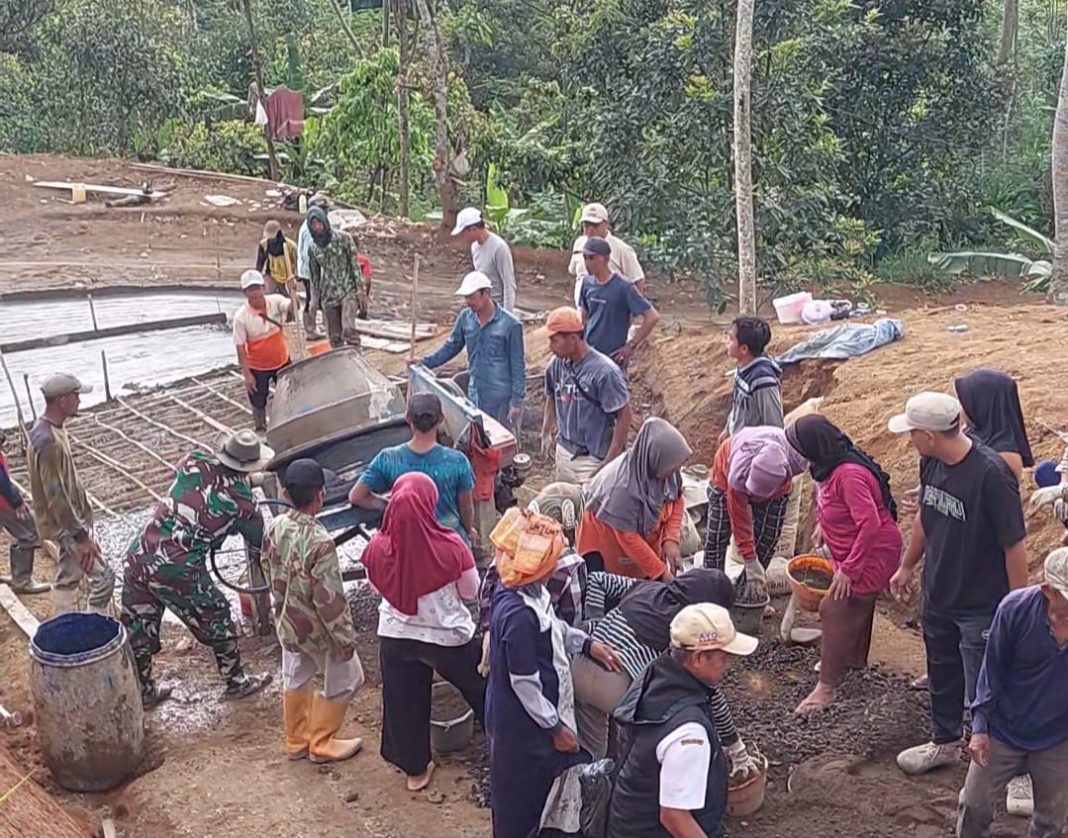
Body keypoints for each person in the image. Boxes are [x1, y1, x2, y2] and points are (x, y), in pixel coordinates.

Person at [888, 392, 1027, 775]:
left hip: (980, 603)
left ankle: (1004, 766)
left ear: (931, 436)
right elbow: (926, 513)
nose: (910, 439)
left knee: (987, 684)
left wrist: (1017, 609)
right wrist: (907, 566)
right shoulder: (930, 462)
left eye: (913, 433)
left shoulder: (992, 475)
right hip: (939, 592)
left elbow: (1014, 544)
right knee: (942, 671)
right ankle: (945, 742)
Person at [485, 519, 621, 838]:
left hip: (534, 717)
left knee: (542, 790)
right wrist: (555, 728)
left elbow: (552, 627)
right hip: (524, 727)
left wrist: (585, 643)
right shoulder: (518, 615)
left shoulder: (529, 592)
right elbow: (525, 684)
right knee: (523, 798)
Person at [122, 430, 274, 707]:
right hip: (177, 566)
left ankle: (143, 690)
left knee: (138, 625)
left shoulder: (194, 460)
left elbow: (195, 486)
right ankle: (236, 681)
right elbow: (259, 542)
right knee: (218, 613)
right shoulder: (244, 503)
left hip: (141, 553)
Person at [363, 472, 485, 790]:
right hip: (447, 635)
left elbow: (376, 587)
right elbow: (471, 591)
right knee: (481, 686)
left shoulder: (376, 547)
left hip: (396, 633)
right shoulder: (451, 545)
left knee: (403, 700)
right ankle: (501, 738)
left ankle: (415, 770)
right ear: (430, 503)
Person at [573, 568, 759, 776]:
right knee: (657, 734)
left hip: (579, 667)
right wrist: (735, 747)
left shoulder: (647, 588)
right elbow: (710, 692)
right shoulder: (687, 625)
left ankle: (586, 786)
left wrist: (594, 624)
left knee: (592, 761)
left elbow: (597, 579)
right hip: (615, 685)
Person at [608, 602, 758, 838]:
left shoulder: (657, 676)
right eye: (723, 657)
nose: (728, 664)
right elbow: (675, 818)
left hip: (628, 820)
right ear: (697, 659)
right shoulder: (688, 732)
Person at [785, 415, 902, 714]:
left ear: (813, 446)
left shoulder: (848, 474)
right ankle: (852, 663)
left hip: (873, 550)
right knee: (858, 605)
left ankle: (826, 687)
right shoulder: (828, 465)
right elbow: (831, 500)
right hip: (851, 548)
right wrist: (822, 525)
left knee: (833, 608)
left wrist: (850, 569)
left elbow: (871, 523)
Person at [957, 548, 1068, 838]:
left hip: (1057, 737)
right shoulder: (1014, 610)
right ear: (1048, 591)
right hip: (1003, 729)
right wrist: (980, 728)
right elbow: (991, 673)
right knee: (973, 805)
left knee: (1052, 822)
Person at [262, 459, 364, 763]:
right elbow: (329, 600)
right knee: (349, 678)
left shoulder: (274, 527)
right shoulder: (321, 543)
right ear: (321, 495)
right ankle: (322, 741)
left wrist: (282, 602)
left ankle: (296, 739)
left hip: (287, 623)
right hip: (317, 631)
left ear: (285, 493)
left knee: (295, 675)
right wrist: (344, 639)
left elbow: (266, 565)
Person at [27, 373, 113, 613]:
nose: (80, 401)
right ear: (62, 400)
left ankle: (67, 621)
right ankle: (91, 623)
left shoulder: (49, 429)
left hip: (69, 524)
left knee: (70, 576)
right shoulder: (48, 442)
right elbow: (56, 496)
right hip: (67, 526)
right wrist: (81, 537)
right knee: (104, 578)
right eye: (76, 396)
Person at [348, 393, 476, 543]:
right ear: (441, 418)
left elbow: (356, 496)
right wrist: (469, 531)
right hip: (450, 541)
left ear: (408, 418)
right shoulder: (457, 461)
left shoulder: (388, 459)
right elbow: (466, 508)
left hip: (409, 543)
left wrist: (388, 504)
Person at [576, 417, 692, 580]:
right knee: (611, 587)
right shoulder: (621, 487)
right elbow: (628, 537)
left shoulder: (667, 471)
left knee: (646, 581)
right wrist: (660, 572)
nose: (676, 471)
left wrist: (670, 539)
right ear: (654, 458)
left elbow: (677, 499)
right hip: (608, 542)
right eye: (673, 467)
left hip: (640, 543)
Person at [703, 427, 808, 599]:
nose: (754, 498)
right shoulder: (736, 477)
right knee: (717, 535)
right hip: (727, 467)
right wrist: (749, 558)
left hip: (773, 480)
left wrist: (754, 571)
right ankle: (712, 594)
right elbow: (740, 520)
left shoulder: (793, 466)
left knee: (768, 537)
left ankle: (747, 593)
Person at [417, 271, 526, 428]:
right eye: (466, 297)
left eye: (471, 297)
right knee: (477, 437)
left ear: (486, 293)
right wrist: (425, 362)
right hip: (475, 398)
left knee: (502, 439)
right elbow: (451, 347)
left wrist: (516, 401)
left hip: (501, 402)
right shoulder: (465, 319)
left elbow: (518, 366)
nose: (468, 301)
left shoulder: (510, 325)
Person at [541, 307, 633, 484]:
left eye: (554, 340)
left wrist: (609, 461)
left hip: (592, 460)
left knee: (589, 502)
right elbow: (551, 395)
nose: (550, 347)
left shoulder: (605, 372)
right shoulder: (556, 365)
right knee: (565, 499)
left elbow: (624, 416)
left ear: (573, 338)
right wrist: (546, 431)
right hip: (564, 452)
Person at [232, 269, 299, 431]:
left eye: (257, 288)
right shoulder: (241, 317)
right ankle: (260, 427)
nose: (255, 293)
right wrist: (247, 375)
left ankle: (290, 422)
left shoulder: (275, 301)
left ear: (263, 288)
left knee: (290, 393)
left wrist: (293, 292)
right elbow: (240, 347)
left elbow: (292, 308)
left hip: (281, 361)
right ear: (245, 293)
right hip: (257, 366)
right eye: (251, 289)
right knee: (258, 400)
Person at [577, 236, 660, 365]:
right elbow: (584, 315)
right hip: (589, 355)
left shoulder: (624, 287)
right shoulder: (587, 283)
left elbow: (652, 317)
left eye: (592, 257)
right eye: (585, 258)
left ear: (606, 259)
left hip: (612, 358)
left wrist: (630, 346)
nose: (588, 263)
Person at [953, 369, 1034, 480]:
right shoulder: (973, 431)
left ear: (982, 406)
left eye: (966, 403)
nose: (961, 410)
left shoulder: (1004, 457)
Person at [306, 206, 367, 348]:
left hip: (347, 289)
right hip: (328, 294)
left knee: (348, 329)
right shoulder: (313, 247)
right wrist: (314, 299)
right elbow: (314, 275)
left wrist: (360, 289)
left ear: (325, 221)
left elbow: (354, 265)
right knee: (334, 336)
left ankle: (355, 355)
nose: (317, 227)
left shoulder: (343, 238)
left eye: (319, 222)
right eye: (313, 224)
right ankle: (340, 359)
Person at [0, 431, 49, 595]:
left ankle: (17, 576)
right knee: (27, 533)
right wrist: (17, 502)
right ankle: (22, 581)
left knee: (20, 533)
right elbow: (2, 481)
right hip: (3, 503)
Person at [568, 202, 647, 300]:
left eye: (595, 225)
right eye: (586, 225)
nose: (590, 230)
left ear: (606, 224)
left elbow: (637, 279)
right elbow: (574, 271)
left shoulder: (621, 249)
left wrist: (634, 305)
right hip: (584, 306)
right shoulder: (579, 244)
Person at [724, 316, 783, 437]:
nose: (726, 343)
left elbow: (774, 425)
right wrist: (727, 429)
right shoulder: (743, 367)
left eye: (731, 339)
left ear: (744, 349)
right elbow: (737, 405)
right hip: (738, 439)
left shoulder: (763, 380)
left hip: (752, 445)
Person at [452, 207, 517, 313]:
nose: (462, 237)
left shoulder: (499, 248)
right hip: (482, 308)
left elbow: (509, 285)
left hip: (498, 308)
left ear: (473, 229)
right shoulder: (474, 247)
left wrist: (506, 315)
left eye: (464, 233)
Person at [296, 193, 329, 339]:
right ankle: (310, 329)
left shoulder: (312, 225)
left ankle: (321, 327)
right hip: (311, 271)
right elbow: (309, 254)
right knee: (313, 300)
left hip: (310, 270)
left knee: (318, 300)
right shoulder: (311, 228)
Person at [255, 219, 298, 294]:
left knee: (287, 298)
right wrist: (257, 276)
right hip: (271, 275)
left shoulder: (291, 246)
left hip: (287, 278)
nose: (271, 240)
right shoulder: (264, 244)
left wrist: (295, 278)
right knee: (269, 296)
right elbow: (260, 263)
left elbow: (296, 263)